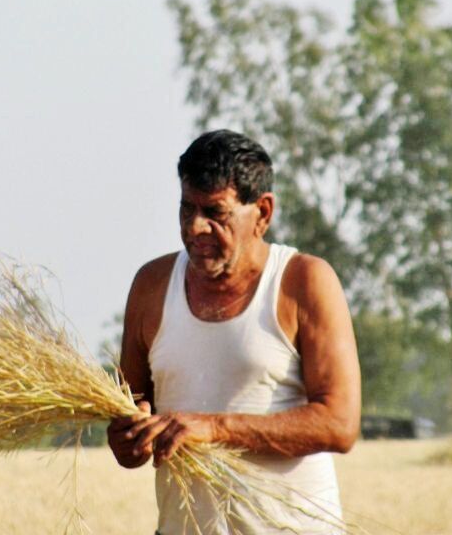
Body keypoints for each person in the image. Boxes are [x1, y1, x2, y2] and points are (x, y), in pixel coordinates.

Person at [107, 130, 361, 534]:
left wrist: (212, 428)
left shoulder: (303, 282)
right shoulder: (151, 286)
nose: (195, 228)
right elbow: (131, 412)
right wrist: (129, 435)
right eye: (186, 209)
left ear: (262, 213)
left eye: (215, 212)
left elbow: (339, 424)